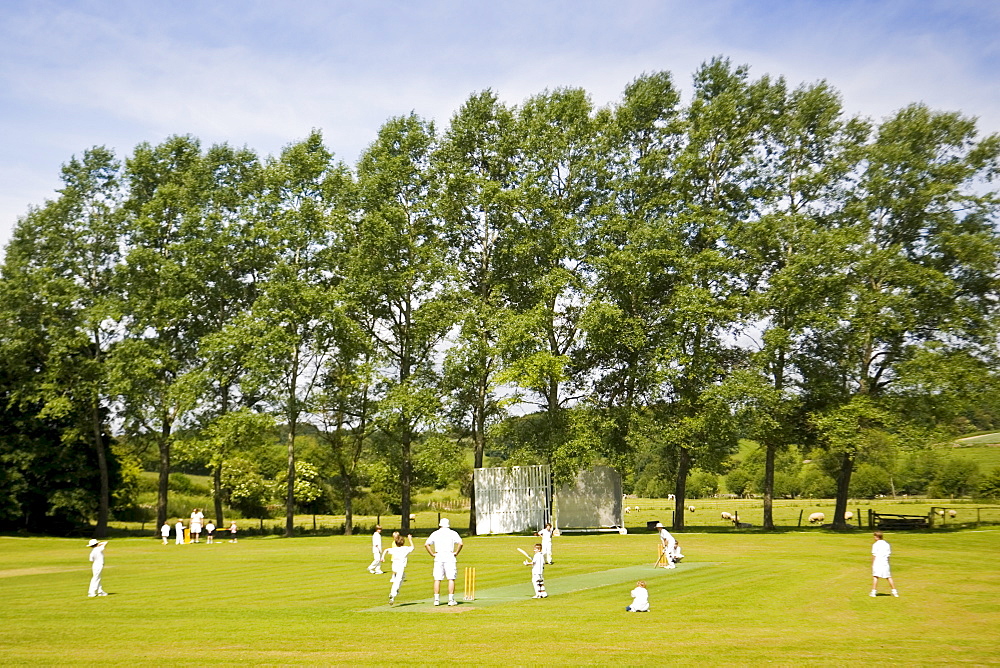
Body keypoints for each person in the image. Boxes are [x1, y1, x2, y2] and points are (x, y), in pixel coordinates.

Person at [424, 518, 463, 606]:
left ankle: (436, 600)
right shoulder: (453, 533)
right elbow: (461, 543)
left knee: (437, 578)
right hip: (449, 556)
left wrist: (432, 554)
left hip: (439, 556)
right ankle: (450, 600)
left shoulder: (435, 533)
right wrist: (456, 552)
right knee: (451, 578)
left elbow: (426, 544)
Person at [381, 533, 415, 605]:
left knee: (403, 577)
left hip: (394, 566)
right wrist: (410, 539)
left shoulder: (394, 549)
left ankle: (396, 590)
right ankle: (392, 595)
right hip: (400, 567)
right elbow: (412, 547)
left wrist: (382, 557)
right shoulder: (405, 549)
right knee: (397, 581)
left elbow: (386, 550)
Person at [870, 531, 899, 597]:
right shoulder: (886, 544)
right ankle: (894, 592)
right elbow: (888, 554)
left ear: (877, 537)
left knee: (875, 576)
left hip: (878, 561)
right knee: (888, 577)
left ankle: (873, 592)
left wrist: (872, 563)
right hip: (885, 562)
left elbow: (874, 555)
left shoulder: (875, 544)